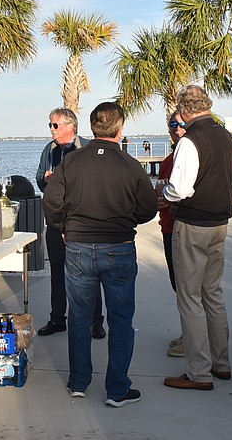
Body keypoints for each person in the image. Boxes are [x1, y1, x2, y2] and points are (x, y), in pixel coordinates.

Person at [43, 102, 158, 408]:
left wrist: (63, 226)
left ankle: (79, 382)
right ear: (121, 129)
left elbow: (51, 201)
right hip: (118, 247)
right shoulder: (130, 165)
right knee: (120, 319)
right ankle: (117, 389)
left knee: (79, 317)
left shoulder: (71, 162)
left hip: (78, 247)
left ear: (93, 127)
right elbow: (148, 208)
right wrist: (124, 219)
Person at [160, 85, 232, 391]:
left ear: (185, 111)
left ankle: (198, 371)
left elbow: (180, 188)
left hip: (193, 224)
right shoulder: (224, 135)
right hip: (219, 223)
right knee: (213, 294)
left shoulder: (191, 141)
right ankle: (221, 363)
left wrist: (163, 192)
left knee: (190, 297)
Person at [35, 108, 105, 339]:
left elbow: (95, 183)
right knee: (57, 271)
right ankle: (57, 318)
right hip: (56, 220)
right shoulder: (50, 149)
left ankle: (96, 321)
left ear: (69, 126)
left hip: (82, 221)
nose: (51, 130)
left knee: (89, 272)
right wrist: (46, 180)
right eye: (50, 125)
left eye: (55, 125)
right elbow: (38, 180)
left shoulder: (86, 148)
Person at [157, 111, 187, 357]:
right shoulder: (169, 159)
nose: (176, 128)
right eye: (172, 124)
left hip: (183, 227)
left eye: (181, 124)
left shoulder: (187, 157)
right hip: (167, 226)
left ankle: (192, 339)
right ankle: (188, 333)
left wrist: (166, 197)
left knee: (188, 286)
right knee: (178, 284)